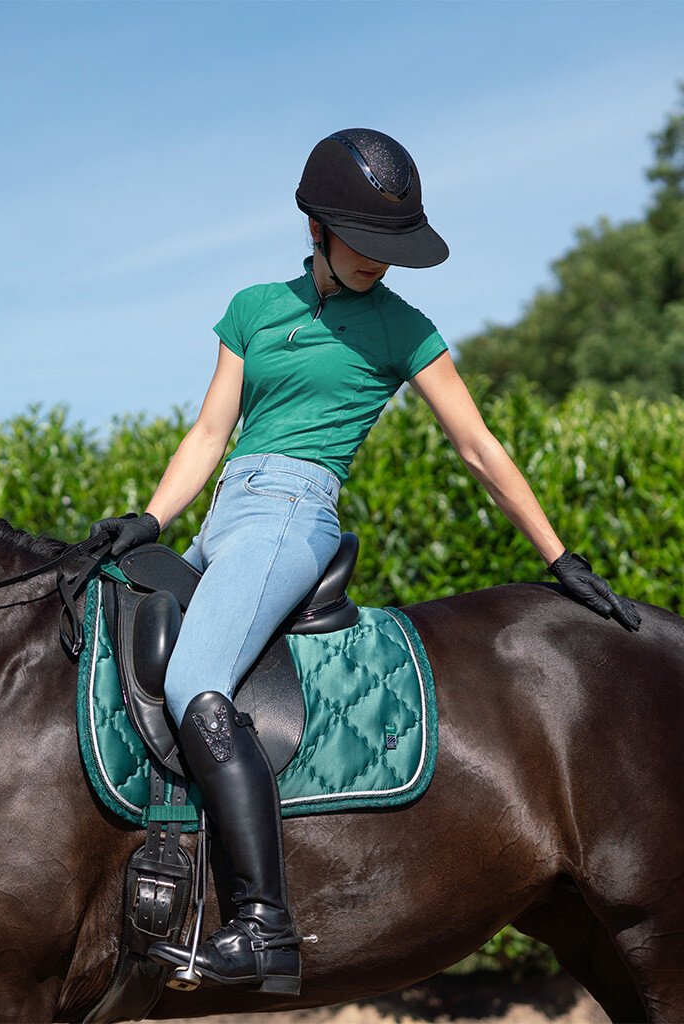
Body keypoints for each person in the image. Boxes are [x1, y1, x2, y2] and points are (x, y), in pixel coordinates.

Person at [89, 128, 640, 995]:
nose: (384, 265)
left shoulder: (403, 329)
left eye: (395, 249)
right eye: (368, 245)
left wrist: (558, 554)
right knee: (115, 644)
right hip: (225, 514)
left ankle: (266, 925)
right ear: (316, 228)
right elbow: (207, 435)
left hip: (290, 517)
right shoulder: (252, 310)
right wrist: (148, 520)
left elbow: (479, 448)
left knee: (199, 677)